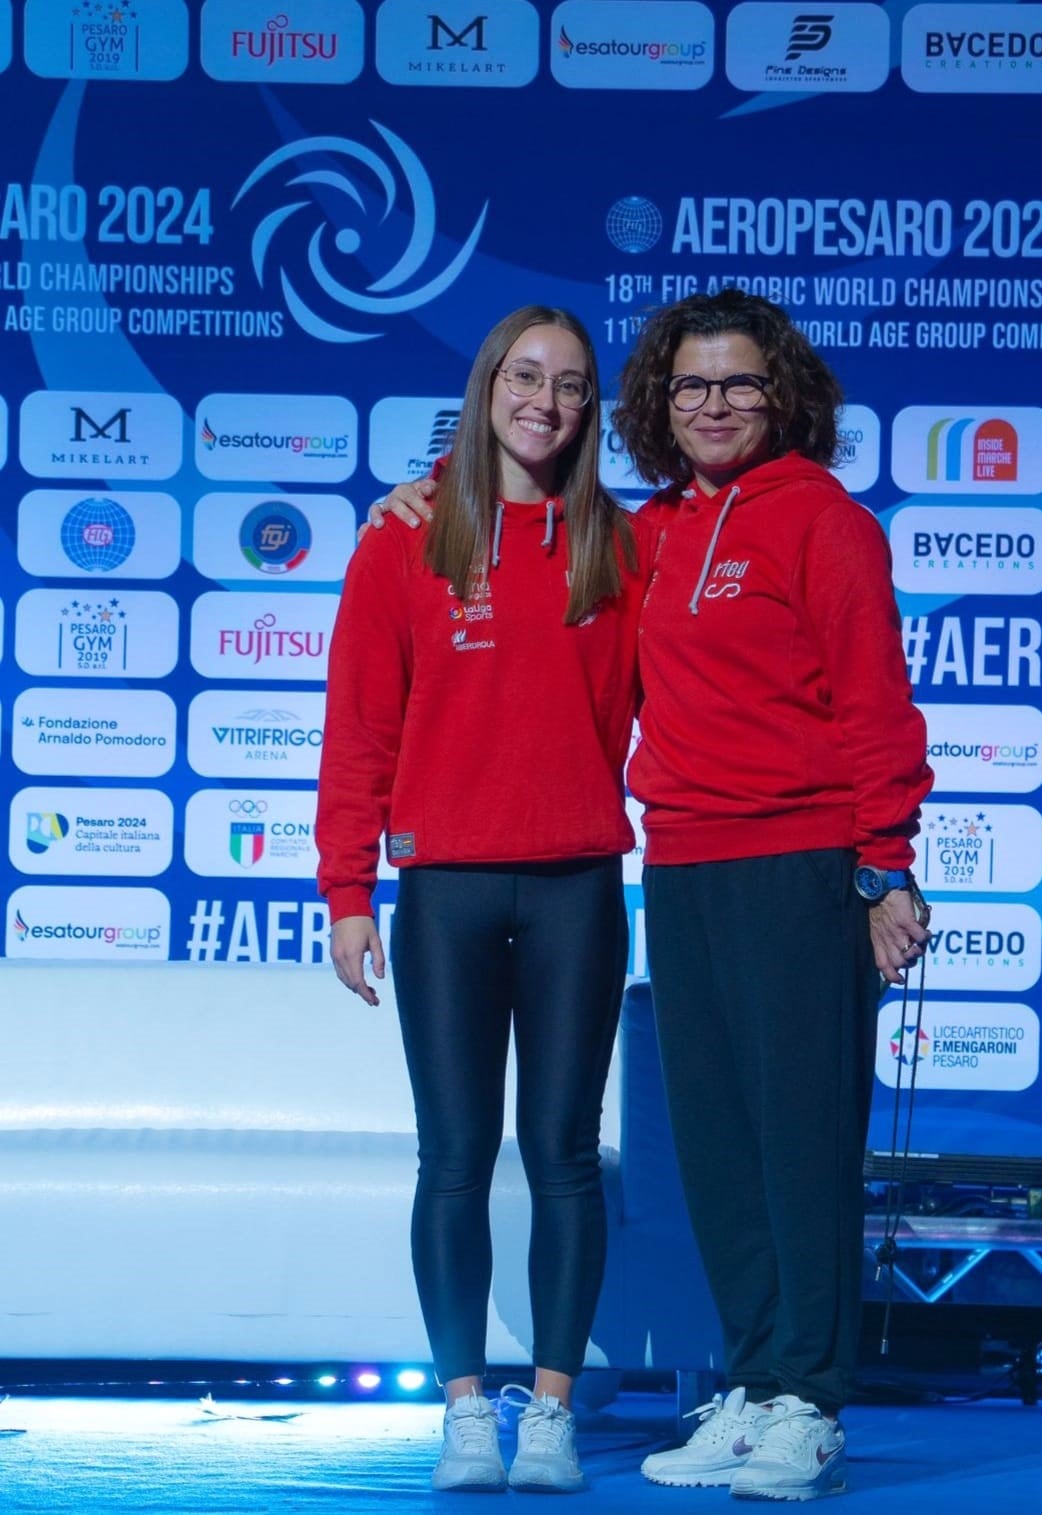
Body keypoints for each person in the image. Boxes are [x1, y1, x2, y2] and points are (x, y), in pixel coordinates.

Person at [370, 289, 933, 1502]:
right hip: (680, 861)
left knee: (800, 1140)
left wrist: (885, 865)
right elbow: (507, 551)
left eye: (737, 384)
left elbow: (878, 707)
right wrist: (417, 492)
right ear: (658, 407)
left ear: (781, 394)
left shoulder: (823, 522)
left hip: (801, 860)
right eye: (690, 387)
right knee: (720, 1147)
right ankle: (754, 1379)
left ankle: (811, 1399)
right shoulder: (653, 532)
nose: (714, 405)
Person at [316, 305, 650, 1495]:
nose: (545, 401)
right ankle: (465, 1408)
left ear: (588, 407)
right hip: (443, 888)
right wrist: (345, 889)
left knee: (562, 1153)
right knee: (452, 1155)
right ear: (487, 386)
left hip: (576, 887)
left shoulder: (624, 545)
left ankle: (550, 1412)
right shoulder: (405, 539)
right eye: (525, 376)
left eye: (568, 384)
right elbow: (359, 727)